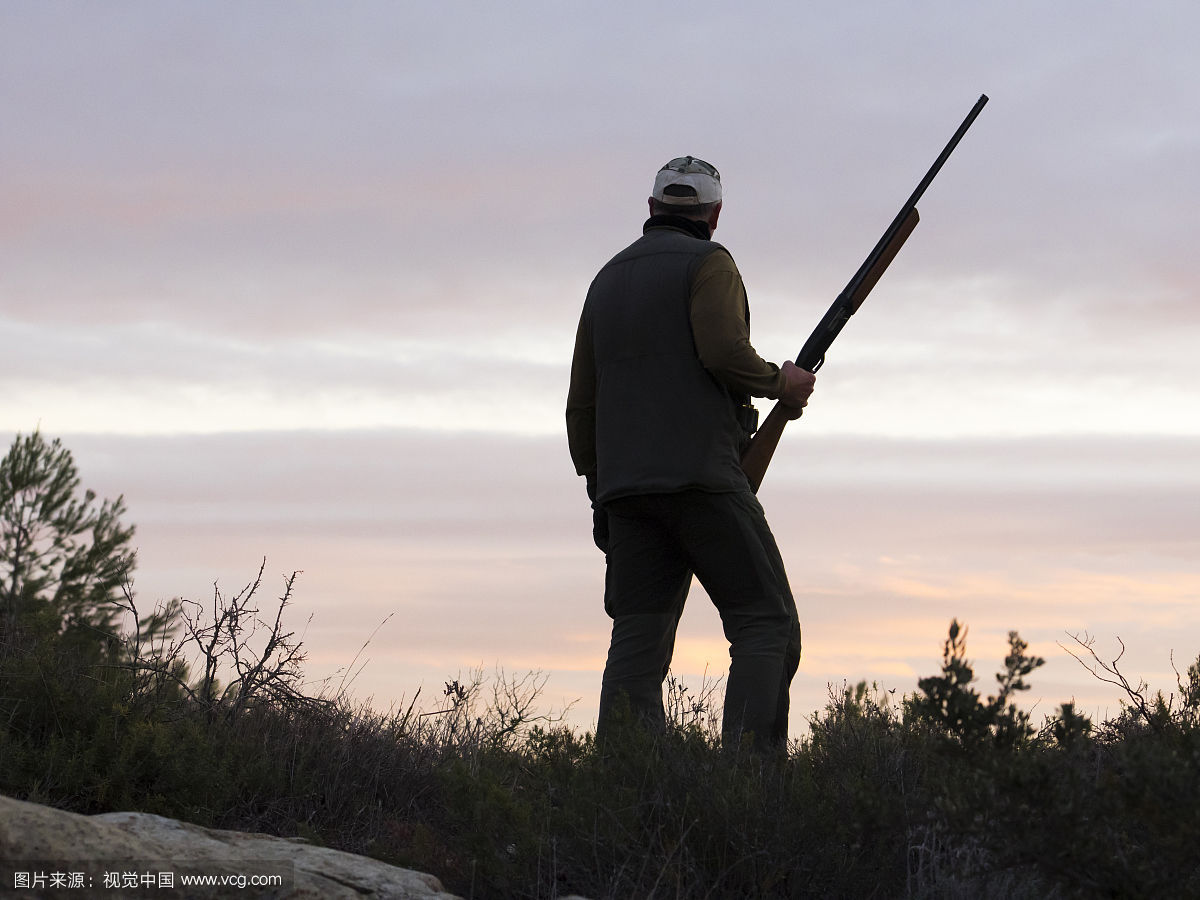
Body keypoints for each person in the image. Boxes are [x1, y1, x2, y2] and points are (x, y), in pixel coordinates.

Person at [566, 155, 816, 749]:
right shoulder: (711, 264)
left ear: (652, 209)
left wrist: (601, 489)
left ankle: (623, 786)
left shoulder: (606, 279)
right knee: (766, 624)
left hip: (625, 492)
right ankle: (747, 789)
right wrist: (782, 384)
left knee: (637, 641)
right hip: (702, 481)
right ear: (715, 213)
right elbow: (724, 351)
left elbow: (581, 405)